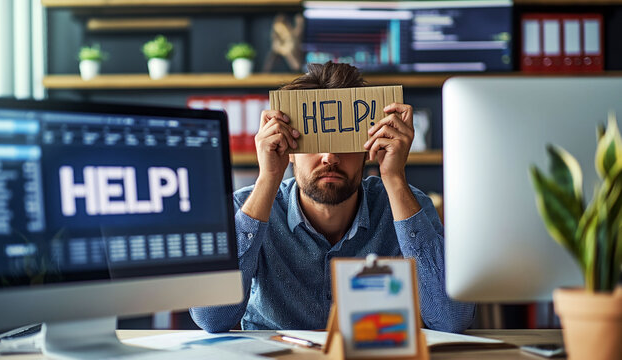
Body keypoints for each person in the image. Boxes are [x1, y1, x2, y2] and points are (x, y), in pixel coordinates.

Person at [190, 62, 475, 333]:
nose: (330, 157)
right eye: (315, 143)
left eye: (343, 142)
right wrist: (267, 179)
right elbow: (210, 318)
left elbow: (451, 318)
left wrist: (395, 177)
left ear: (368, 147)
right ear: (290, 147)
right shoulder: (246, 208)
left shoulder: (406, 205)